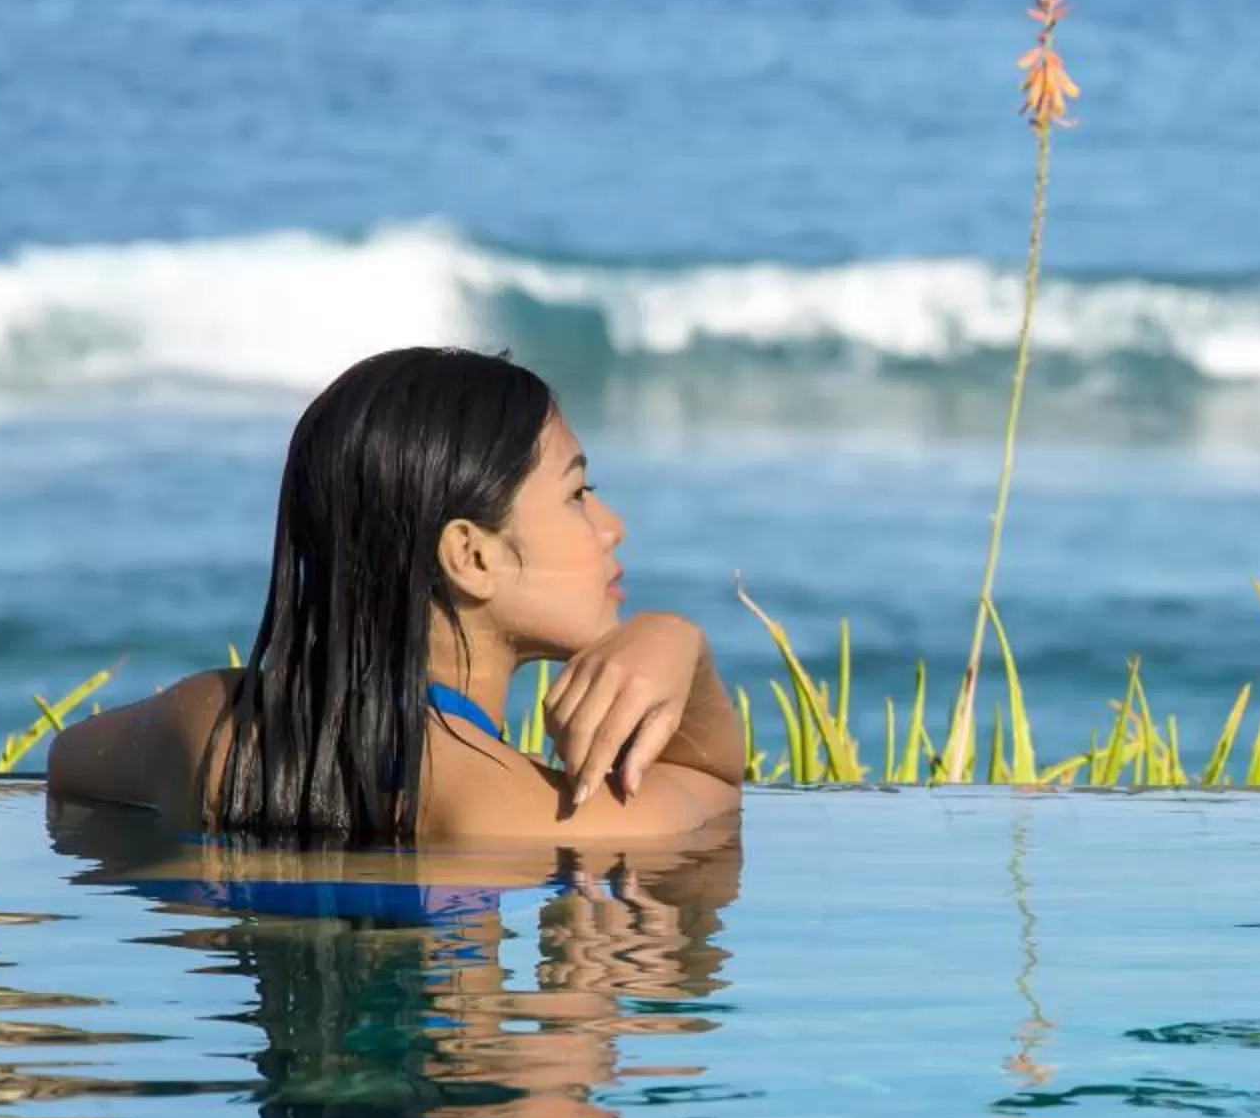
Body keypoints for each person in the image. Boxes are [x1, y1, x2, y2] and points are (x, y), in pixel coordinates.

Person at [46, 346, 744, 844]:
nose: (612, 526)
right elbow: (715, 791)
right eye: (578, 494)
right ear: (471, 556)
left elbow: (68, 762)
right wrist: (682, 643)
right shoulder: (522, 810)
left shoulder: (208, 724)